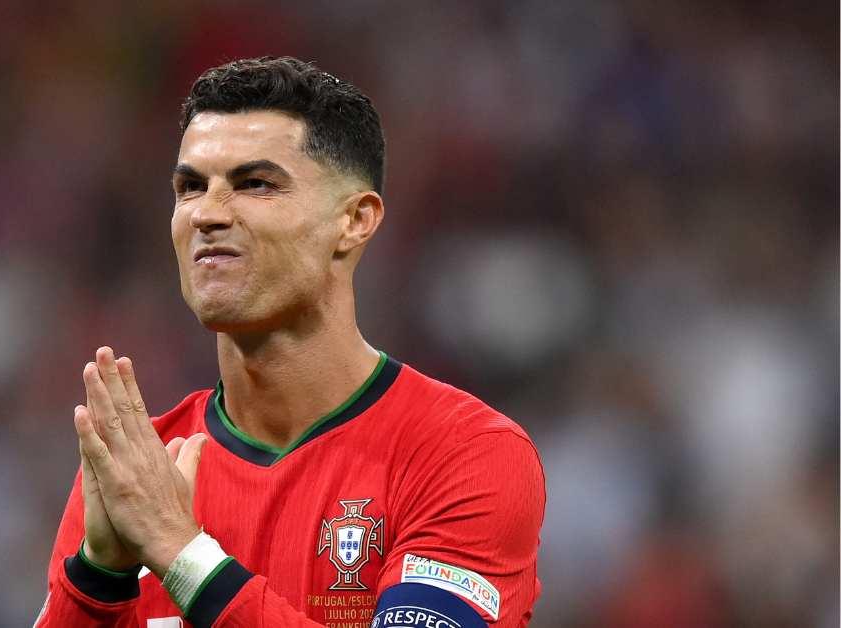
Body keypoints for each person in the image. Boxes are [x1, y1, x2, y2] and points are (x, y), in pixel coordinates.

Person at [35, 56, 544, 628]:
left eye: (255, 184)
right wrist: (98, 577)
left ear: (354, 221)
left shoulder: (463, 454)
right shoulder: (139, 470)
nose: (207, 213)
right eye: (191, 187)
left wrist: (182, 554)